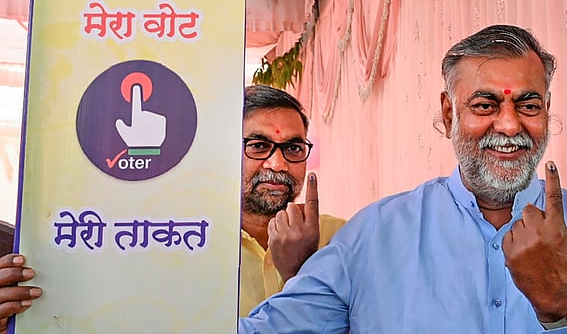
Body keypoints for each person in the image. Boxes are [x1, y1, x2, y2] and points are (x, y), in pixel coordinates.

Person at [240, 24, 567, 333]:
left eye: (529, 106)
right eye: (485, 105)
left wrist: (565, 307)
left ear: (547, 110)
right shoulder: (373, 235)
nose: (510, 125)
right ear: (447, 114)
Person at [0, 85, 345, 333]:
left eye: (294, 148)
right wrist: (17, 317)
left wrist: (299, 273)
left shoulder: (344, 240)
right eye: (257, 145)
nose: (278, 163)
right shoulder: (171, 241)